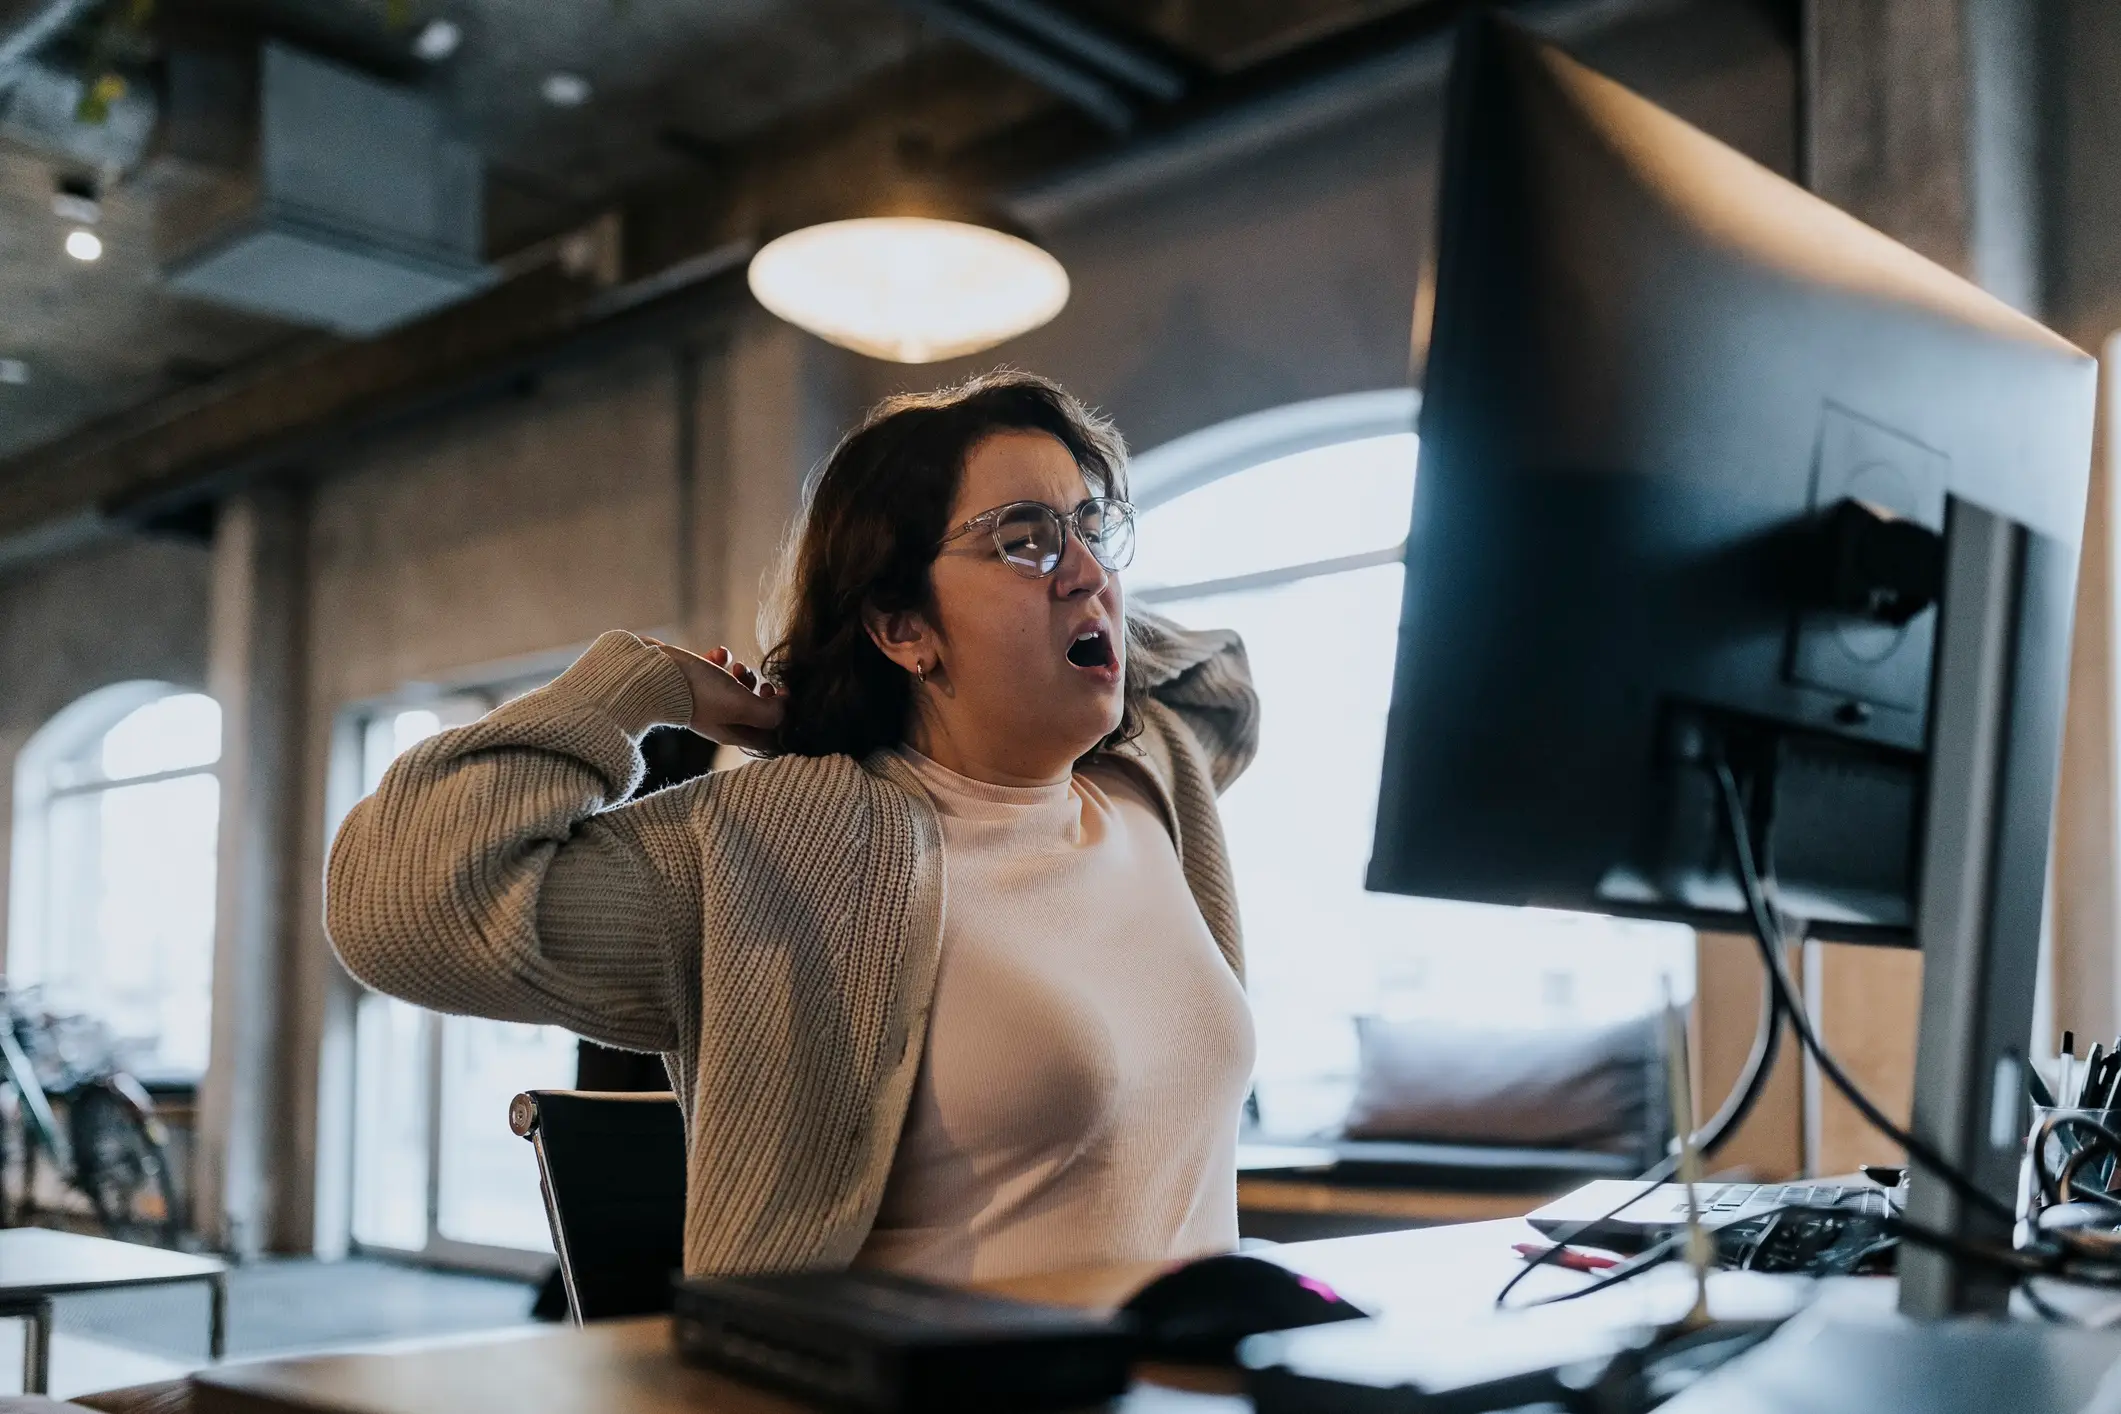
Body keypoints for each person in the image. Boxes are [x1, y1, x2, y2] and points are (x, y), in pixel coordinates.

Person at [326, 371, 1259, 1283]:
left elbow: (1219, 681)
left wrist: (1062, 588)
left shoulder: (1153, 773)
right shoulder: (791, 842)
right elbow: (404, 904)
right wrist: (638, 685)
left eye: (1095, 531)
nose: (1090, 571)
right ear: (901, 626)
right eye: (1024, 539)